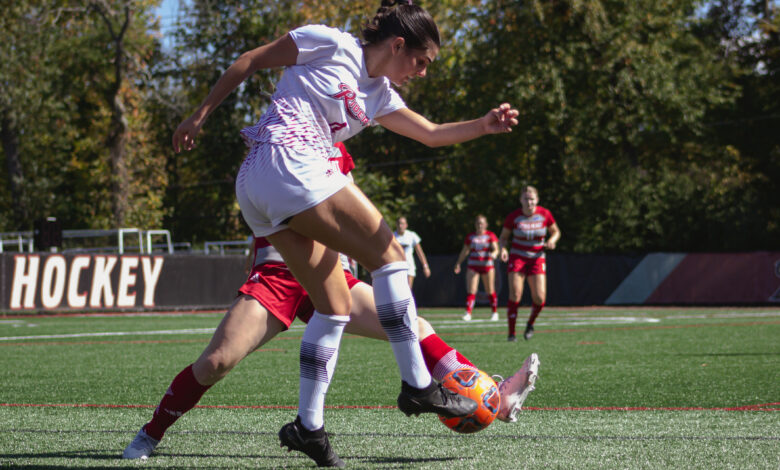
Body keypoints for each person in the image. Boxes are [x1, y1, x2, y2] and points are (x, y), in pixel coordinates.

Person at [171, 0, 520, 465]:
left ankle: (308, 428)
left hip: (262, 189)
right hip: (283, 160)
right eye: (420, 61)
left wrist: (483, 126)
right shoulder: (330, 43)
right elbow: (250, 60)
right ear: (397, 44)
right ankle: (417, 385)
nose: (421, 72)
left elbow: (432, 134)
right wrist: (201, 113)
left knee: (333, 307)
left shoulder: (379, 95)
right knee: (392, 255)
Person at [123, 229, 541, 465]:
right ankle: (150, 433)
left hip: (333, 276)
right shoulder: (279, 139)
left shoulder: (341, 152)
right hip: (279, 274)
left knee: (414, 324)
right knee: (216, 362)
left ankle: (494, 396)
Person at [499, 186, 561, 341]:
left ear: (537, 200)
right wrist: (503, 249)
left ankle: (530, 324)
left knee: (540, 298)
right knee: (515, 294)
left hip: (537, 258)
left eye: (532, 199)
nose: (529, 202)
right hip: (517, 257)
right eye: (526, 199)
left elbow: (556, 232)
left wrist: (552, 241)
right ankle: (511, 333)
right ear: (521, 200)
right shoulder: (514, 217)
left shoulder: (545, 214)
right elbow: (503, 238)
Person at [453, 215, 500, 321]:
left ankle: (494, 312)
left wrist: (494, 254)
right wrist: (458, 263)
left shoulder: (490, 235)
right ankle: (468, 313)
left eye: (482, 223)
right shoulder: (471, 237)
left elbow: (496, 249)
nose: (480, 225)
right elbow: (465, 251)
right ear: (475, 225)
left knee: (490, 289)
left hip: (487, 266)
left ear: (486, 224)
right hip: (473, 266)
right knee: (472, 290)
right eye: (478, 223)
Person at [394, 216, 431, 288]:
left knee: (408, 290)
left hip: (409, 267)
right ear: (396, 224)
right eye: (399, 223)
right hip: (396, 267)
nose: (401, 226)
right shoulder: (392, 237)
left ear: (406, 225)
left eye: (403, 224)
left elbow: (420, 252)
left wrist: (425, 266)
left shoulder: (411, 235)